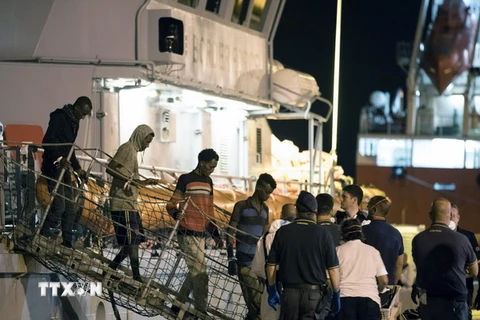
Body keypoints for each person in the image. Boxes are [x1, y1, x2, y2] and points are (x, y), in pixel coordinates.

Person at [267, 191, 341, 320]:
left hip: (289, 294)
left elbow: (271, 265)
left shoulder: (283, 232)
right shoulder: (323, 234)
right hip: (313, 296)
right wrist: (336, 293)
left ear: (297, 210)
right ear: (315, 211)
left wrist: (272, 288)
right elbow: (333, 269)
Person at [166, 148, 219, 317]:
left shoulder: (209, 182)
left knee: (194, 272)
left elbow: (209, 210)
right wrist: (176, 213)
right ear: (202, 163)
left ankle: (178, 304)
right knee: (201, 274)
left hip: (201, 234)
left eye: (214, 167)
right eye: (210, 167)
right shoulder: (185, 179)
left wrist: (215, 232)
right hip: (186, 231)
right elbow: (171, 204)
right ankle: (201, 311)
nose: (212, 170)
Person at [105, 124, 158, 282]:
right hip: (123, 204)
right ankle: (136, 276)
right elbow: (110, 168)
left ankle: (112, 268)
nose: (147, 146)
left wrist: (145, 182)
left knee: (131, 243)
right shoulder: (127, 148)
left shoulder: (133, 152)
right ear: (140, 137)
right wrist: (125, 180)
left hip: (130, 204)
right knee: (132, 242)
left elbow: (131, 180)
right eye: (146, 141)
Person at [412, 198, 478, 320]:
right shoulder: (462, 239)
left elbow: (419, 266)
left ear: (430, 215)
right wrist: (459, 271)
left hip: (429, 302)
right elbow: (474, 271)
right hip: (455, 302)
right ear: (450, 216)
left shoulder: (418, 239)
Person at [40, 96, 92, 248]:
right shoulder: (59, 117)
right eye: (82, 113)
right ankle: (43, 234)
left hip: (65, 168)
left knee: (70, 206)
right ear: (76, 108)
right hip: (53, 167)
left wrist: (78, 168)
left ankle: (67, 242)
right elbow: (47, 141)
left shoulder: (75, 122)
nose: (83, 117)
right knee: (59, 206)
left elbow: (70, 148)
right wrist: (59, 157)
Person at [226, 173, 277, 320]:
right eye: (267, 192)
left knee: (255, 307)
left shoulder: (265, 210)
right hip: (244, 261)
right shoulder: (241, 206)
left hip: (260, 263)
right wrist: (231, 258)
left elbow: (265, 237)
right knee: (259, 302)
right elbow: (230, 232)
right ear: (259, 187)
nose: (268, 196)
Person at [335, 218, 388, 320]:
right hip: (369, 301)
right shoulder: (373, 251)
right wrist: (378, 291)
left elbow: (332, 278)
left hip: (344, 300)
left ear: (343, 234)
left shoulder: (337, 251)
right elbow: (384, 280)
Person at [251, 203, 297, 320]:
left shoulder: (265, 237)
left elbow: (257, 269)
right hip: (294, 291)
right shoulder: (297, 236)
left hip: (271, 290)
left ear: (281, 215)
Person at [362, 196, 404, 285]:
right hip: (388, 285)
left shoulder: (363, 231)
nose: (367, 209)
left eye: (368, 206)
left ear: (374, 210)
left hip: (366, 284)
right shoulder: (396, 234)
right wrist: (393, 283)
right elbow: (399, 264)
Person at [450, 203, 480, 320]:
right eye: (449, 215)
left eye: (454, 215)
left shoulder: (468, 236)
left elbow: (477, 261)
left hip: (465, 288)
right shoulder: (439, 236)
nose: (451, 218)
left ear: (458, 218)